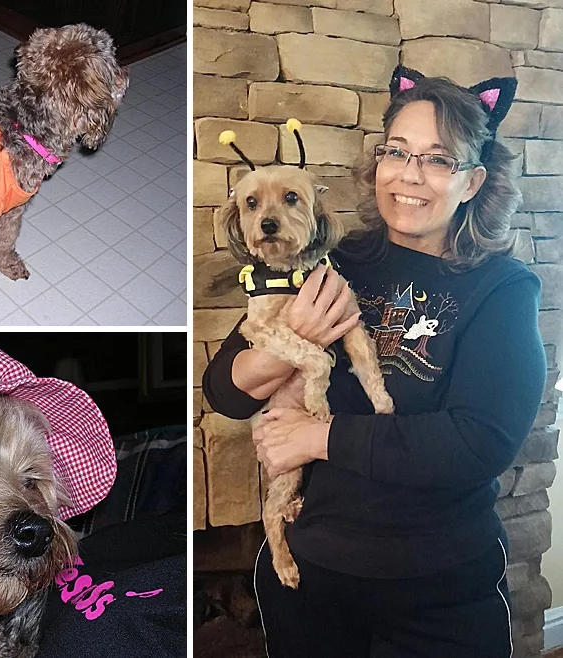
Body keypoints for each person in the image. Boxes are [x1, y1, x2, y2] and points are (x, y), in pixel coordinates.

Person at [202, 65, 546, 657]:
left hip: (437, 593)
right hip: (311, 582)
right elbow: (225, 391)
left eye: (438, 159)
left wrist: (316, 438)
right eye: (398, 151)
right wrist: (298, 336)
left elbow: (478, 444)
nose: (410, 174)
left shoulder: (502, 289)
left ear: (472, 182)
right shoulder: (330, 260)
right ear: (378, 163)